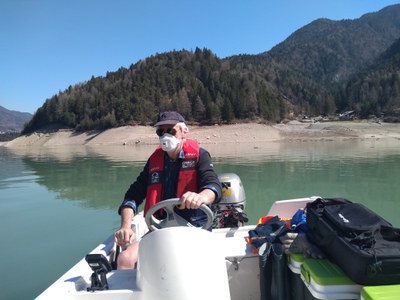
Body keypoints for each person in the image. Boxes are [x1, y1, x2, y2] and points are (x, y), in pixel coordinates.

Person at [114, 111, 222, 269]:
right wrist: (125, 226)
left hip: (195, 229)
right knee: (125, 260)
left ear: (184, 132)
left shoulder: (201, 155)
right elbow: (132, 196)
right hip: (162, 228)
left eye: (171, 131)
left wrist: (201, 197)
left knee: (186, 264)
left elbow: (213, 186)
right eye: (160, 132)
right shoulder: (154, 161)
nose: (165, 136)